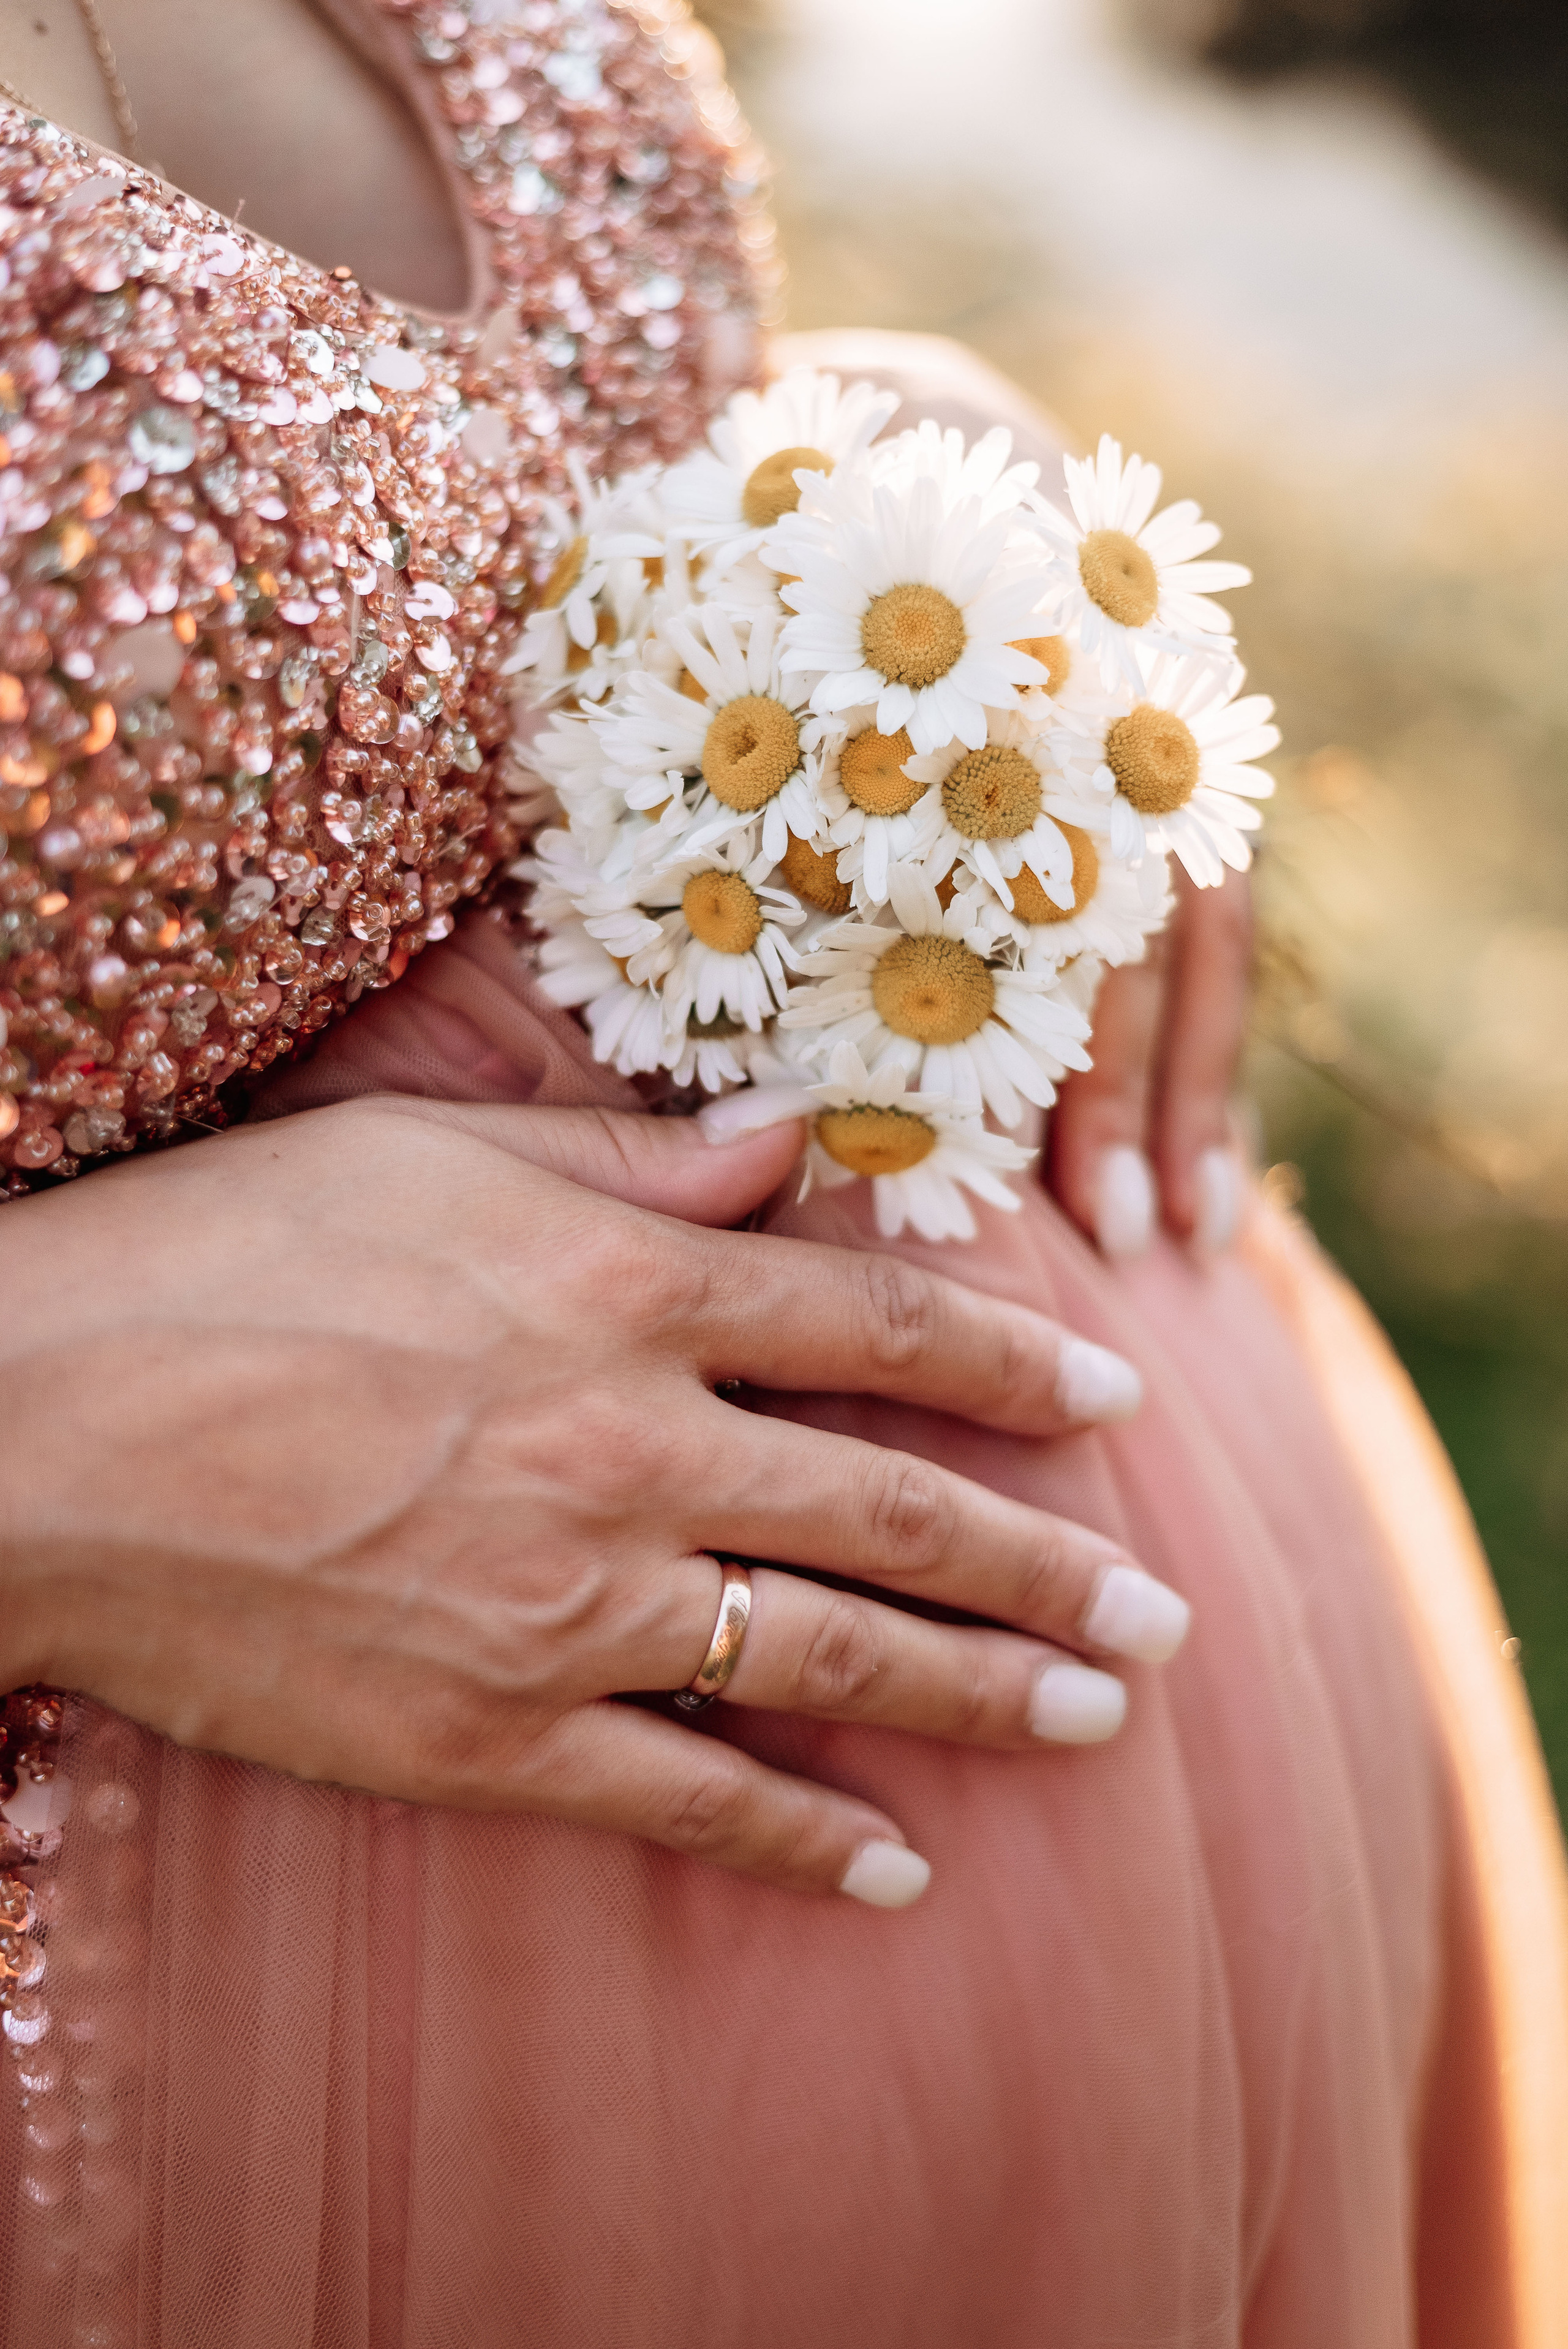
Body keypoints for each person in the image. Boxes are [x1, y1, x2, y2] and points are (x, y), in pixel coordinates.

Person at [0, 4, 1563, 2345]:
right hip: (270, 2078)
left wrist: (854, 453)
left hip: (1134, 1943)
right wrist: (56, 1432)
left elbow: (331, 514)